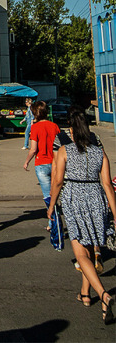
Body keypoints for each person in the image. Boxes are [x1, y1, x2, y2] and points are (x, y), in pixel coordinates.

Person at [47, 107, 115, 324]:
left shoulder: (65, 150)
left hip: (74, 198)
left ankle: (103, 295)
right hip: (97, 200)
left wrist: (51, 206)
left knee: (81, 255)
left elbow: (57, 180)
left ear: (71, 130)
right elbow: (107, 185)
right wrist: (115, 212)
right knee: (90, 248)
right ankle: (85, 294)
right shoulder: (100, 153)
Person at [52, 105, 105, 275]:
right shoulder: (94, 137)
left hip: (71, 189)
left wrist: (53, 200)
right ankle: (96, 251)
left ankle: (84, 261)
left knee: (79, 231)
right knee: (93, 225)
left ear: (69, 122)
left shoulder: (60, 138)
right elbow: (101, 162)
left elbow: (56, 169)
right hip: (94, 188)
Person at [23, 100, 60, 226]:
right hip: (56, 163)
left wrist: (26, 162)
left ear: (35, 113)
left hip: (41, 163)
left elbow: (33, 149)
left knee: (47, 196)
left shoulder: (35, 127)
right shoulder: (54, 126)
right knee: (56, 193)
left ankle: (53, 223)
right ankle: (55, 219)